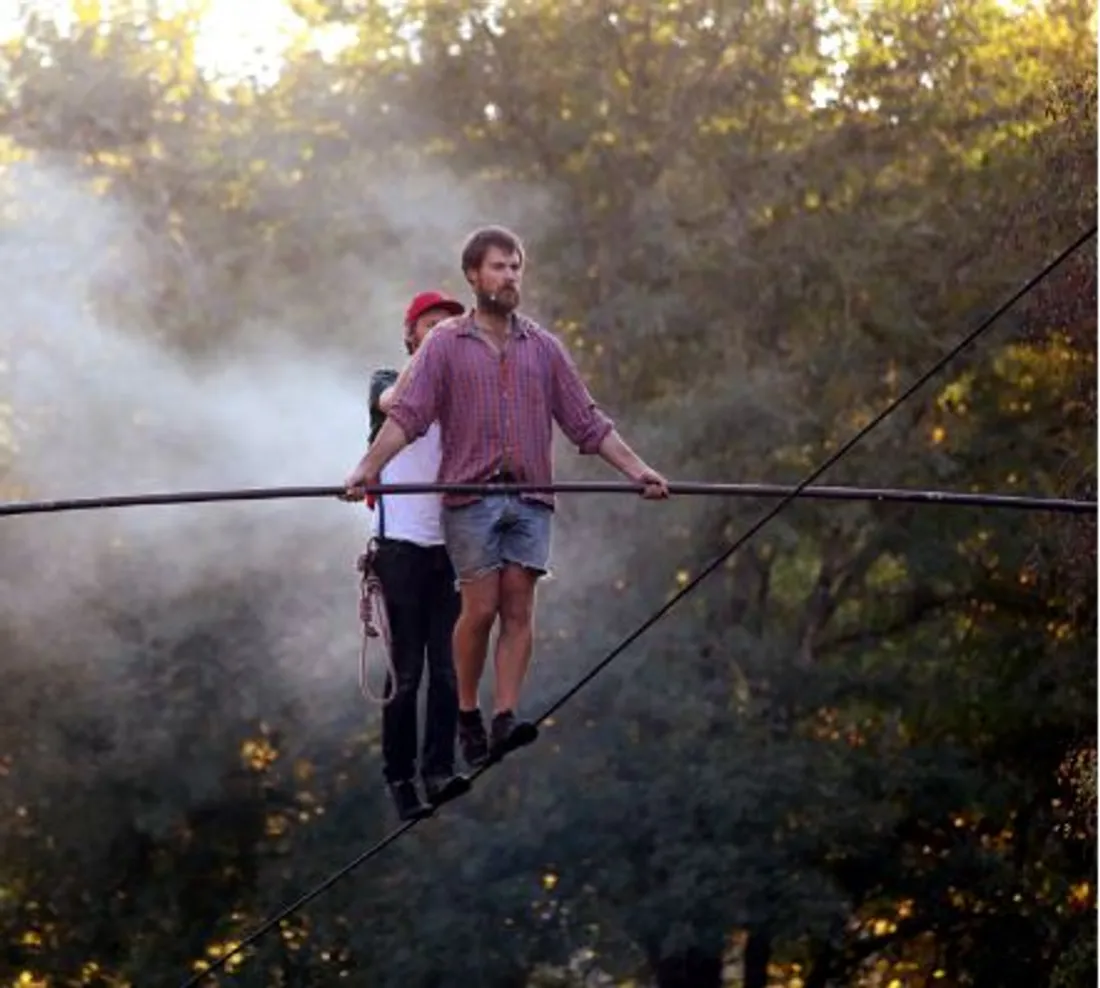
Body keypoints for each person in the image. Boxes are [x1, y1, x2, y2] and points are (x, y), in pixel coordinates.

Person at [344, 226, 670, 770]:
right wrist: (365, 470)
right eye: (498, 267)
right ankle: (469, 714)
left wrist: (639, 471)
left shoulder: (542, 348)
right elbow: (404, 417)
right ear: (474, 275)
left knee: (519, 602)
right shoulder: (446, 344)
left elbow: (585, 422)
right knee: (481, 609)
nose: (510, 276)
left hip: (530, 495)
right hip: (471, 497)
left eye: (516, 267)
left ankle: (504, 716)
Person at [364, 289, 469, 822]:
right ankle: (400, 778)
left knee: (447, 671)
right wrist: (432, 361)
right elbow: (395, 405)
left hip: (448, 551)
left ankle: (439, 769)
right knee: (406, 674)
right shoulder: (387, 380)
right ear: (411, 335)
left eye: (453, 326)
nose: (444, 332)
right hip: (400, 550)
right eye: (432, 326)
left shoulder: (463, 398)